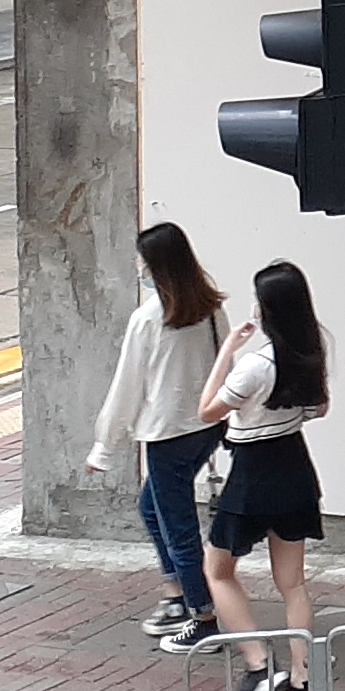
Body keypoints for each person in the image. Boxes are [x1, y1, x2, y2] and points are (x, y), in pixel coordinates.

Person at [184, 261, 328, 691]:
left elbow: (207, 410)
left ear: (265, 309)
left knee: (218, 569)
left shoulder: (254, 365)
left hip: (251, 473)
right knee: (294, 585)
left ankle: (258, 666)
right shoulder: (311, 350)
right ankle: (303, 681)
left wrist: (227, 348)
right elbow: (319, 409)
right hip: (295, 466)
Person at [85, 222, 227, 639]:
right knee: (153, 507)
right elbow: (225, 367)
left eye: (142, 260)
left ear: (156, 266)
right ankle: (175, 592)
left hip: (167, 434)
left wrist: (104, 448)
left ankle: (200, 613)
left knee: (176, 523)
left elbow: (127, 387)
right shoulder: (211, 309)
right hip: (205, 427)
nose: (137, 265)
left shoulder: (148, 318)